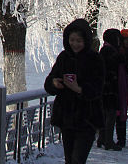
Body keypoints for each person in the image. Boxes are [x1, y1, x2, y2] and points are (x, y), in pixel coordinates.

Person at [44, 19, 104, 164]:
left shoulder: (95, 59)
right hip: (67, 117)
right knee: (69, 159)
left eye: (79, 41)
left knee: (78, 159)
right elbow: (49, 82)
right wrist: (54, 83)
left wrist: (79, 89)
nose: (75, 44)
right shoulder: (64, 57)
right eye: (72, 40)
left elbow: (98, 87)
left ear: (86, 41)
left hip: (87, 118)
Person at [96, 28, 122, 150]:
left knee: (104, 114)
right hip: (110, 87)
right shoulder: (110, 51)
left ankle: (102, 138)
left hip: (103, 87)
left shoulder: (103, 49)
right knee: (110, 114)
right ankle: (108, 140)